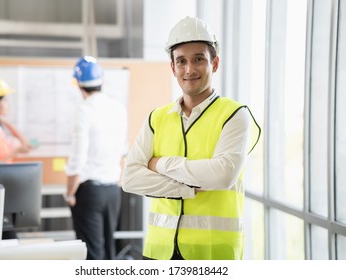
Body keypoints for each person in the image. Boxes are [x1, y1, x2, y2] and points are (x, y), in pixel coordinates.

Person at [122, 16, 261, 260]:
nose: (189, 69)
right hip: (158, 252)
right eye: (182, 61)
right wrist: (185, 188)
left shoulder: (235, 115)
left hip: (212, 254)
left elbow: (222, 175)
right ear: (172, 67)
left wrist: (160, 164)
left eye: (198, 59)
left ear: (214, 63)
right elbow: (130, 178)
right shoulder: (157, 118)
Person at [65, 56, 128, 260]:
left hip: (89, 192)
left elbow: (78, 159)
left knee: (91, 254)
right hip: (113, 191)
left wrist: (70, 193)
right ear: (101, 81)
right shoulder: (118, 109)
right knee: (108, 250)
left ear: (79, 84)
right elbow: (122, 153)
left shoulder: (83, 111)